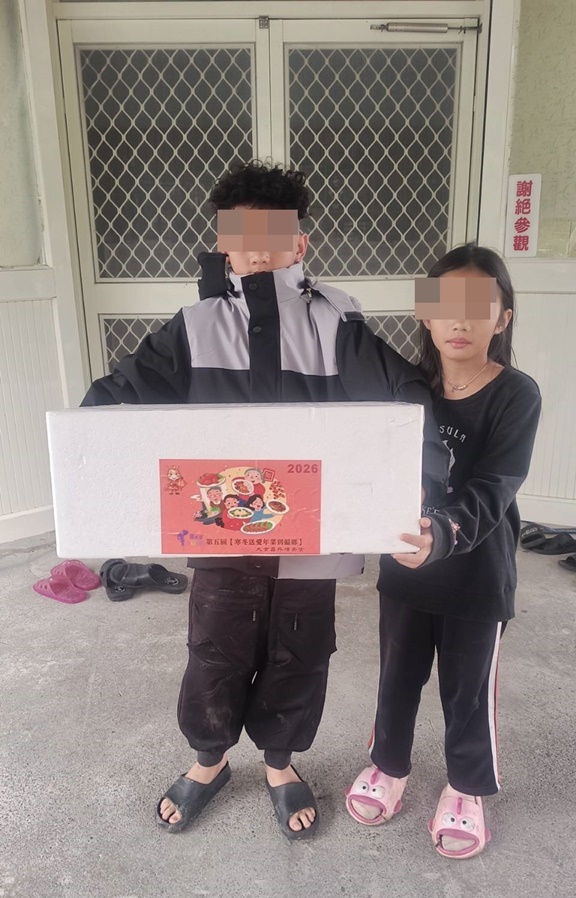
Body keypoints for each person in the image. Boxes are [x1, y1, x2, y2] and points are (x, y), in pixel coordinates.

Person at [82, 160, 448, 840]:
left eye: (271, 236)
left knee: (300, 653)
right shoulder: (193, 327)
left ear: (299, 244)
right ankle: (209, 759)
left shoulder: (337, 324)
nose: (255, 250)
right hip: (220, 532)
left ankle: (280, 762)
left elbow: (404, 398)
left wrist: (423, 480)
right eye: (240, 236)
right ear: (223, 244)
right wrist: (85, 462)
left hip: (313, 535)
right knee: (214, 649)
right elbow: (119, 395)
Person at [346, 244, 541, 859]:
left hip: (477, 577)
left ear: (502, 319)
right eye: (446, 306)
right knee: (396, 679)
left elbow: (495, 486)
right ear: (425, 314)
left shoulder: (517, 395)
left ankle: (466, 787)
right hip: (405, 572)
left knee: (467, 691)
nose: (460, 320)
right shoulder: (405, 388)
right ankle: (388, 764)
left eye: (478, 306)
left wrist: (444, 532)